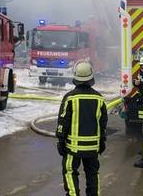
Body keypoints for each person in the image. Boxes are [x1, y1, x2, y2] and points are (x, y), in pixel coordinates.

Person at [56, 60, 108, 196]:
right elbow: (103, 123)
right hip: (93, 148)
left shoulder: (69, 98)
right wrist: (102, 141)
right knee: (93, 173)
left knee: (70, 171)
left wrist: (60, 140)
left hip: (73, 148)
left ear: (75, 77)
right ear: (91, 77)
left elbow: (63, 121)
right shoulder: (99, 98)